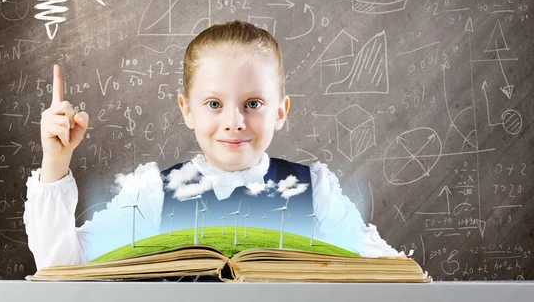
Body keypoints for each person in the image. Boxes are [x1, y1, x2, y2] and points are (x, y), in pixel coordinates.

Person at [24, 20, 401, 273]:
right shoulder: (154, 194)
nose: (234, 121)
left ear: (280, 111)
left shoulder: (315, 191)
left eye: (253, 104)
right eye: (214, 104)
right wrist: (55, 163)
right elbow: (62, 267)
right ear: (187, 110)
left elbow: (385, 276)